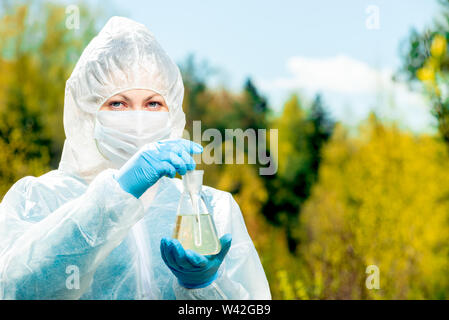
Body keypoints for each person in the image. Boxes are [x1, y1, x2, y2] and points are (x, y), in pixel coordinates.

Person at [0, 16, 271, 300]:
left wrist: (206, 286)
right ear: (87, 112)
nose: (138, 119)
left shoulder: (212, 208)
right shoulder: (39, 199)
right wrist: (112, 199)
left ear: (173, 112)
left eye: (153, 103)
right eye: (118, 103)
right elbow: (14, 290)